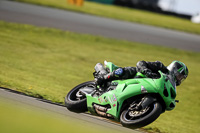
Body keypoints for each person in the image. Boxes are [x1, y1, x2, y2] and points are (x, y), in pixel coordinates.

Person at [95, 60, 188, 86]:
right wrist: (145, 70)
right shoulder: (160, 66)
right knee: (127, 71)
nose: (179, 79)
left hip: (144, 87)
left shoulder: (168, 84)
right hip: (137, 76)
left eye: (181, 78)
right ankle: (103, 78)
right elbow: (141, 63)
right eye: (180, 76)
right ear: (174, 69)